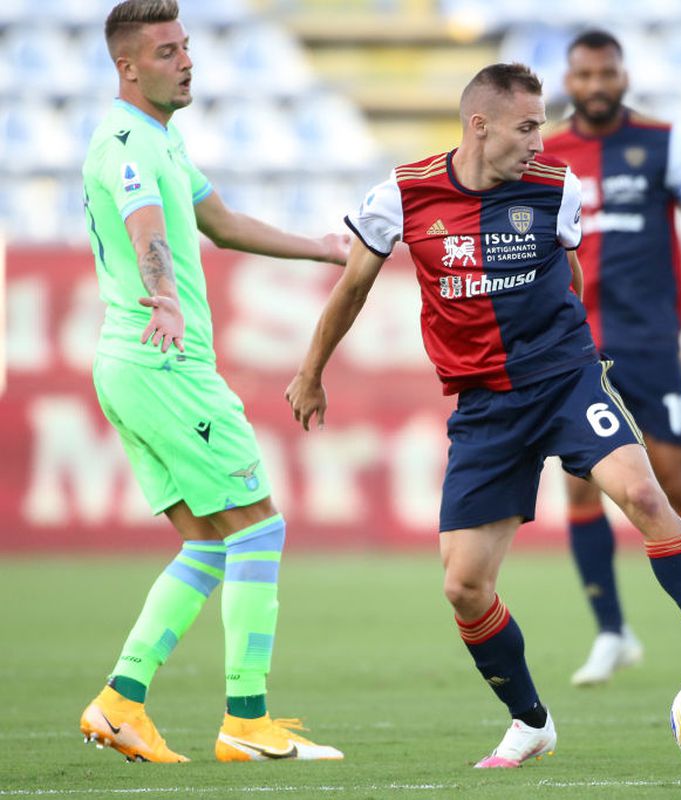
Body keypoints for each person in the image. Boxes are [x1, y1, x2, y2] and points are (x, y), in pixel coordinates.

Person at [284, 62, 681, 769]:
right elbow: (352, 286)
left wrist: (575, 347)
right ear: (479, 126)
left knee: (642, 492)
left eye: (543, 124)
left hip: (565, 377)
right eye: (529, 126)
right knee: (464, 585)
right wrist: (311, 371)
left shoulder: (555, 190)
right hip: (485, 407)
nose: (544, 140)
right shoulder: (403, 195)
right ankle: (531, 721)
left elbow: (568, 275)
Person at [78, 0, 346, 763]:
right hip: (165, 361)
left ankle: (119, 703)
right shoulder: (125, 142)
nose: (186, 60)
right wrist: (163, 294)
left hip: (130, 364)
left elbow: (220, 222)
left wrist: (320, 248)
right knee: (259, 527)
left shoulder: (163, 138)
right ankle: (247, 721)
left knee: (206, 544)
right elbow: (145, 225)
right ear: (128, 66)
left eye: (186, 46)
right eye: (167, 51)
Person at [542, 29, 681, 686]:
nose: (597, 86)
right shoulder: (544, 150)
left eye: (607, 73)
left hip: (650, 338)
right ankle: (611, 633)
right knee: (580, 482)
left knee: (678, 478)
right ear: (568, 80)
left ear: (622, 76)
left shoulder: (662, 141)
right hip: (576, 342)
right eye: (585, 75)